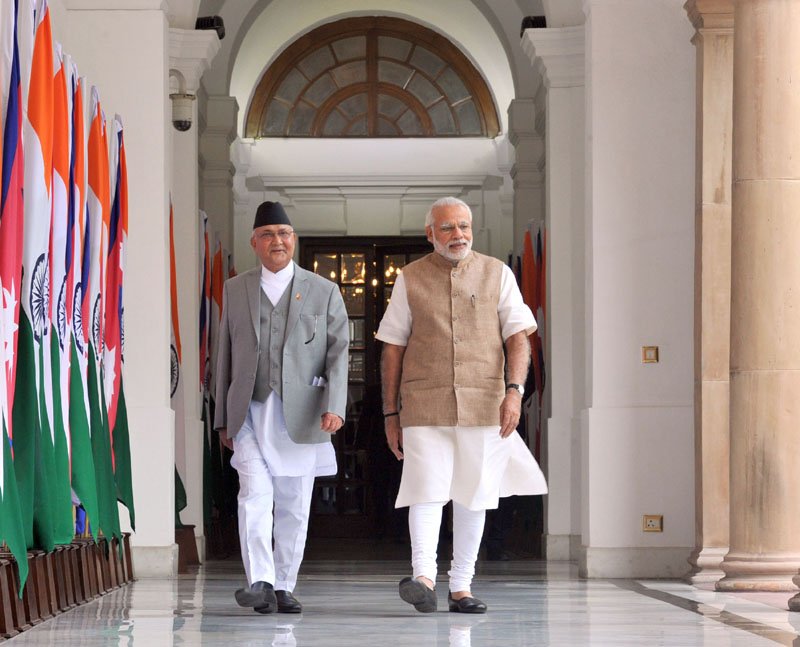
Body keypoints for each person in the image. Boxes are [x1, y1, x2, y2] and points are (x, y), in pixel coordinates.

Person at [376, 196, 547, 614]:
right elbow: (393, 348)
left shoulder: (497, 273)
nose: (459, 235)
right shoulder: (410, 277)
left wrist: (514, 391)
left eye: (464, 226)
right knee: (425, 491)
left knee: (475, 496)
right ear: (430, 234)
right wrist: (390, 412)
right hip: (424, 403)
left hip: (485, 402)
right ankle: (423, 578)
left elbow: (518, 337)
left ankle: (461, 587)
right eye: (448, 228)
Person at [214, 201, 349, 614]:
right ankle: (260, 580)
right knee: (253, 493)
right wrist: (222, 417)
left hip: (303, 413)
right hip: (248, 411)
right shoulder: (236, 288)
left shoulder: (324, 290)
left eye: (285, 234)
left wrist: (337, 405)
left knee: (293, 502)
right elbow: (225, 354)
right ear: (255, 242)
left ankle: (284, 584)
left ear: (295, 241)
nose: (278, 241)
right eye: (269, 234)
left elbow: (339, 352)